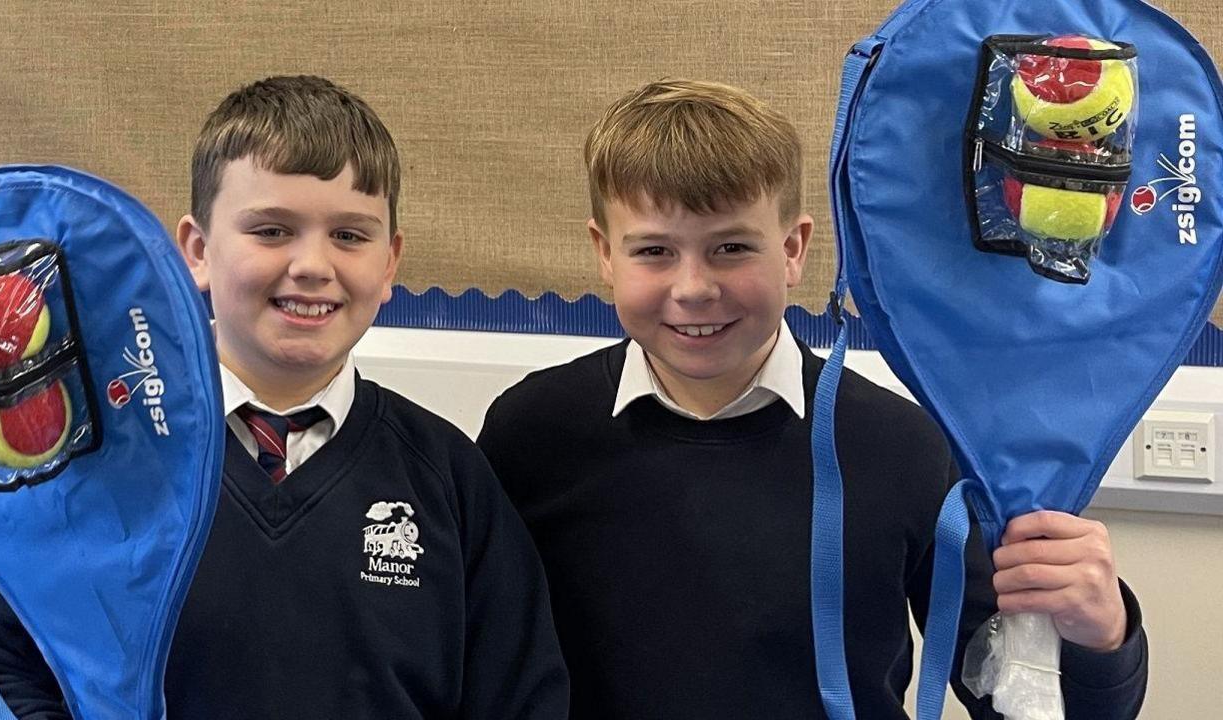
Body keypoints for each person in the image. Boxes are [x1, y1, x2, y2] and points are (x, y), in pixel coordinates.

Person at [476, 78, 1148, 719]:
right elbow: (477, 660)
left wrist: (1101, 636)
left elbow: (1021, 704)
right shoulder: (531, 433)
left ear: (794, 249)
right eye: (654, 251)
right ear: (604, 254)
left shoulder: (901, 446)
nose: (694, 287)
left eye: (731, 248)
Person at [0, 75, 567, 720]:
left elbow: (519, 696)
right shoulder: (101, 453)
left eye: (350, 236)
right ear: (197, 250)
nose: (312, 264)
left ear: (390, 264)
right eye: (272, 231)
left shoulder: (449, 478)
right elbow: (2, 661)